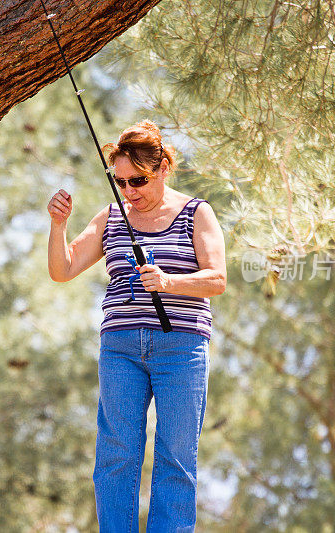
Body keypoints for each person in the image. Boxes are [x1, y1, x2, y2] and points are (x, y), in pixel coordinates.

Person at [46, 119, 226, 532]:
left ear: (163, 168)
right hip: (120, 348)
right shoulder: (111, 216)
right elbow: (63, 269)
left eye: (138, 180)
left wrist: (169, 282)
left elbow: (217, 279)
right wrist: (58, 226)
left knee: (176, 456)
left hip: (181, 348)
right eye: (121, 181)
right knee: (116, 454)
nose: (129, 191)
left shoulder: (197, 213)